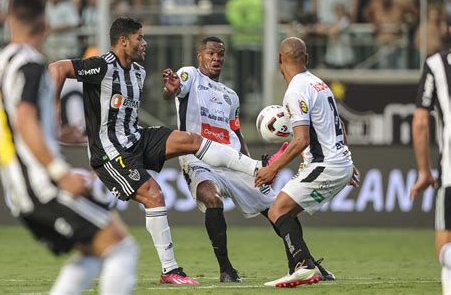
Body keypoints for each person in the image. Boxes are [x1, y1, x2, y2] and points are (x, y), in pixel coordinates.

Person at [49, 17, 278, 285]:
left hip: (136, 138)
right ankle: (170, 270)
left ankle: (256, 168)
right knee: (154, 195)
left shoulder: (138, 72)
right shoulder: (101, 66)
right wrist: (54, 112)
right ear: (124, 41)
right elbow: (57, 68)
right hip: (111, 153)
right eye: (140, 38)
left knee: (190, 139)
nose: (144, 43)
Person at [0, 0, 137, 294]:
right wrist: (59, 172)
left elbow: (4, 127)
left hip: (19, 185)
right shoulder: (30, 65)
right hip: (42, 185)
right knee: (121, 248)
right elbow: (25, 118)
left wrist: (53, 137)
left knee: (93, 253)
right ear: (45, 23)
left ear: (11, 22)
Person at [162, 36, 337, 283]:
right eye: (210, 54)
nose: (216, 58)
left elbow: (236, 132)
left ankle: (304, 261)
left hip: (233, 161)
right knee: (212, 199)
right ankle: (226, 269)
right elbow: (175, 89)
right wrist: (171, 90)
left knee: (279, 208)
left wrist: (250, 164)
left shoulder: (230, 95)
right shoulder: (190, 75)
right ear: (199, 56)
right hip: (199, 159)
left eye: (220, 54)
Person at [255, 37, 359, 287]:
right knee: (286, 211)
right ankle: (306, 266)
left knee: (276, 210)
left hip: (325, 166)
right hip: (337, 162)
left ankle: (304, 265)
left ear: (279, 59)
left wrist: (272, 168)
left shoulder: (296, 90)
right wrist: (346, 160)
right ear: (307, 59)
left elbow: (300, 139)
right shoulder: (319, 84)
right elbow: (339, 127)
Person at [410, 50, 451, 295]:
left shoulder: (437, 65)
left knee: (445, 250)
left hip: (450, 174)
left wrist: (424, 171)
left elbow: (421, 122)